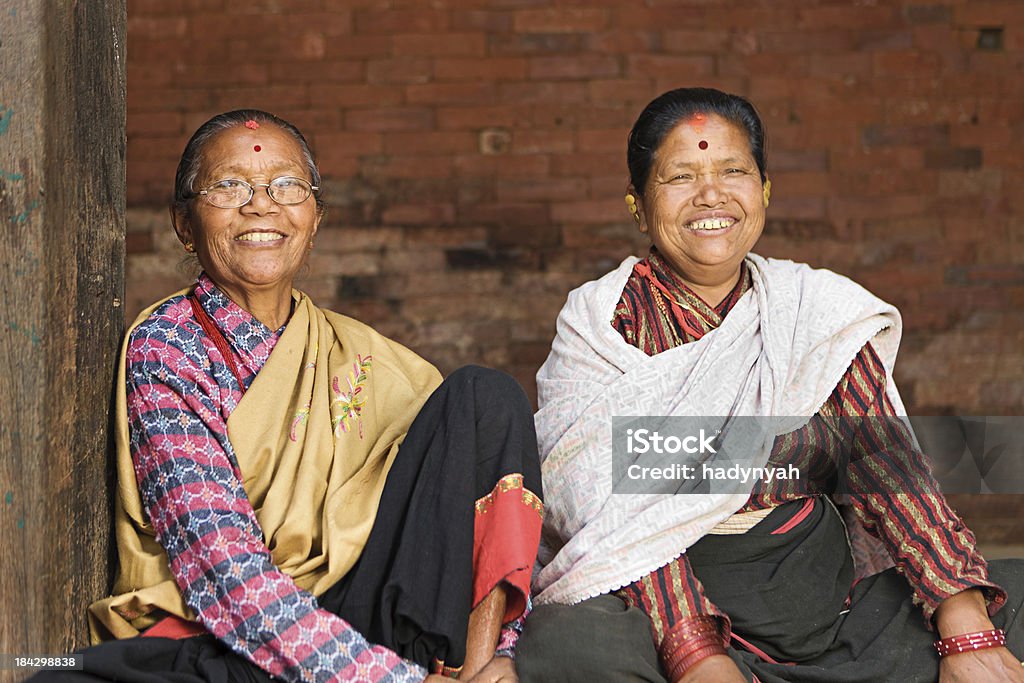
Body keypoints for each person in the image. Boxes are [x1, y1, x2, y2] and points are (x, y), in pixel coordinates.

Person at [514, 88, 1024, 682]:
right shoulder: (602, 327)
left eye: (733, 170)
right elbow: (610, 518)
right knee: (563, 645)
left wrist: (966, 626)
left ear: (765, 192)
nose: (711, 195)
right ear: (637, 205)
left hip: (828, 609)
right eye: (680, 176)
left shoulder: (813, 311)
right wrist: (697, 655)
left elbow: (886, 464)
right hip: (670, 609)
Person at [36, 110, 542, 683]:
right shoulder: (169, 346)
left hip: (365, 611)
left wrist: (503, 650)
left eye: (287, 185)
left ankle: (477, 669)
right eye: (230, 185)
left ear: (315, 217)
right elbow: (221, 568)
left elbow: (446, 502)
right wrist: (386, 678)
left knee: (485, 396)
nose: (262, 204)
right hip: (236, 630)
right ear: (184, 223)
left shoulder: (361, 356)